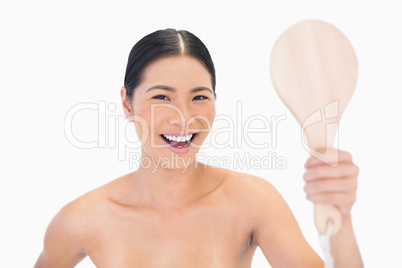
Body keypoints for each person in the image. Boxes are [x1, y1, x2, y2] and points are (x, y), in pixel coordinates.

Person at [35, 29, 363, 267]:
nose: (184, 117)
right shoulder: (81, 219)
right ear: (127, 103)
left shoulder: (252, 202)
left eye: (200, 97)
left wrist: (342, 217)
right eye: (162, 97)